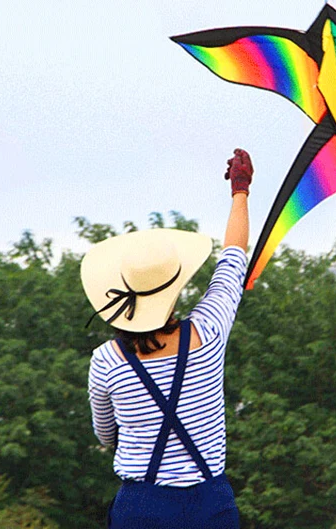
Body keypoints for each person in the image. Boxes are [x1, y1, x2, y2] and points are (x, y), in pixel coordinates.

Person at [81, 149, 253, 529]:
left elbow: (105, 434)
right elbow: (234, 256)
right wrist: (240, 191)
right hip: (212, 505)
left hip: (142, 508)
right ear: (174, 290)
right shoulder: (208, 332)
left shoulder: (107, 361)